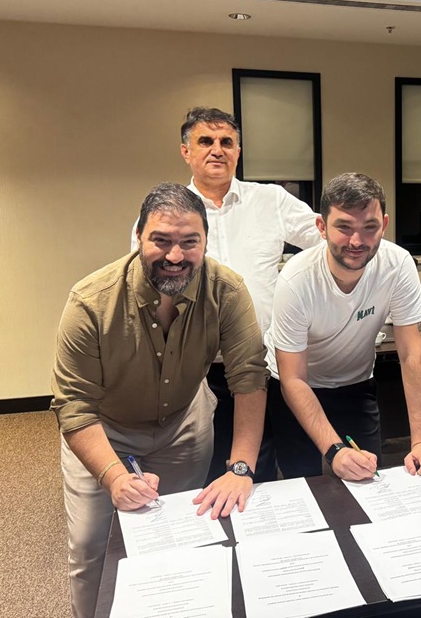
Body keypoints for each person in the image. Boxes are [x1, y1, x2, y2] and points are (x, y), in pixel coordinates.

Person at [56, 182, 268, 618]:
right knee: (92, 548)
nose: (175, 255)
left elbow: (249, 377)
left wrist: (241, 467)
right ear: (138, 236)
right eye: (161, 240)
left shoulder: (227, 291)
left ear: (205, 240)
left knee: (180, 536)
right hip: (106, 428)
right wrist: (113, 476)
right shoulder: (91, 302)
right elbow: (74, 404)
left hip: (184, 425)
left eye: (189, 242)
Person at [131, 107, 320, 485]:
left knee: (294, 468)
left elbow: (326, 243)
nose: (217, 150)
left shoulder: (271, 200)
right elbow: (145, 285)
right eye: (206, 141)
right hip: (202, 370)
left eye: (227, 142)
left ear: (238, 151)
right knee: (216, 470)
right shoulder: (163, 213)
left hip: (273, 362)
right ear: (186, 151)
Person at [264, 172, 421, 480]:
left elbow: (411, 355)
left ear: (384, 225)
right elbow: (293, 378)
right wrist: (334, 450)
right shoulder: (296, 280)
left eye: (369, 227)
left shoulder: (397, 265)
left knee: (367, 476)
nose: (357, 241)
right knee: (304, 480)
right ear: (321, 227)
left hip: (356, 382)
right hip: (297, 386)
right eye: (344, 227)